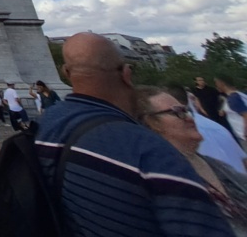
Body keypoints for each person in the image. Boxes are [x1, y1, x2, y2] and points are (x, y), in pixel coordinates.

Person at [35, 32, 233, 237]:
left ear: (66, 72)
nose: (187, 118)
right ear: (126, 74)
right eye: (179, 113)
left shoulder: (47, 126)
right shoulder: (151, 151)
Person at [138, 86, 247, 235]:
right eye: (178, 112)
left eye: (187, 110)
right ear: (151, 123)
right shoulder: (164, 183)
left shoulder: (212, 163)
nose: (190, 117)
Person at [192, 76, 238, 141]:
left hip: (217, 111)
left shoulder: (211, 89)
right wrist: (202, 110)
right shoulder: (195, 91)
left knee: (226, 128)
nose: (201, 82)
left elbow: (222, 98)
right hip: (207, 113)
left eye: (202, 80)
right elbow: (197, 101)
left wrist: (222, 108)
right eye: (199, 80)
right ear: (196, 82)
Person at [215, 75, 247, 142]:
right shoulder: (236, 95)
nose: (216, 86)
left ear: (222, 83)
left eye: (216, 83)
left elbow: (245, 114)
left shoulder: (233, 98)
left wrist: (245, 131)